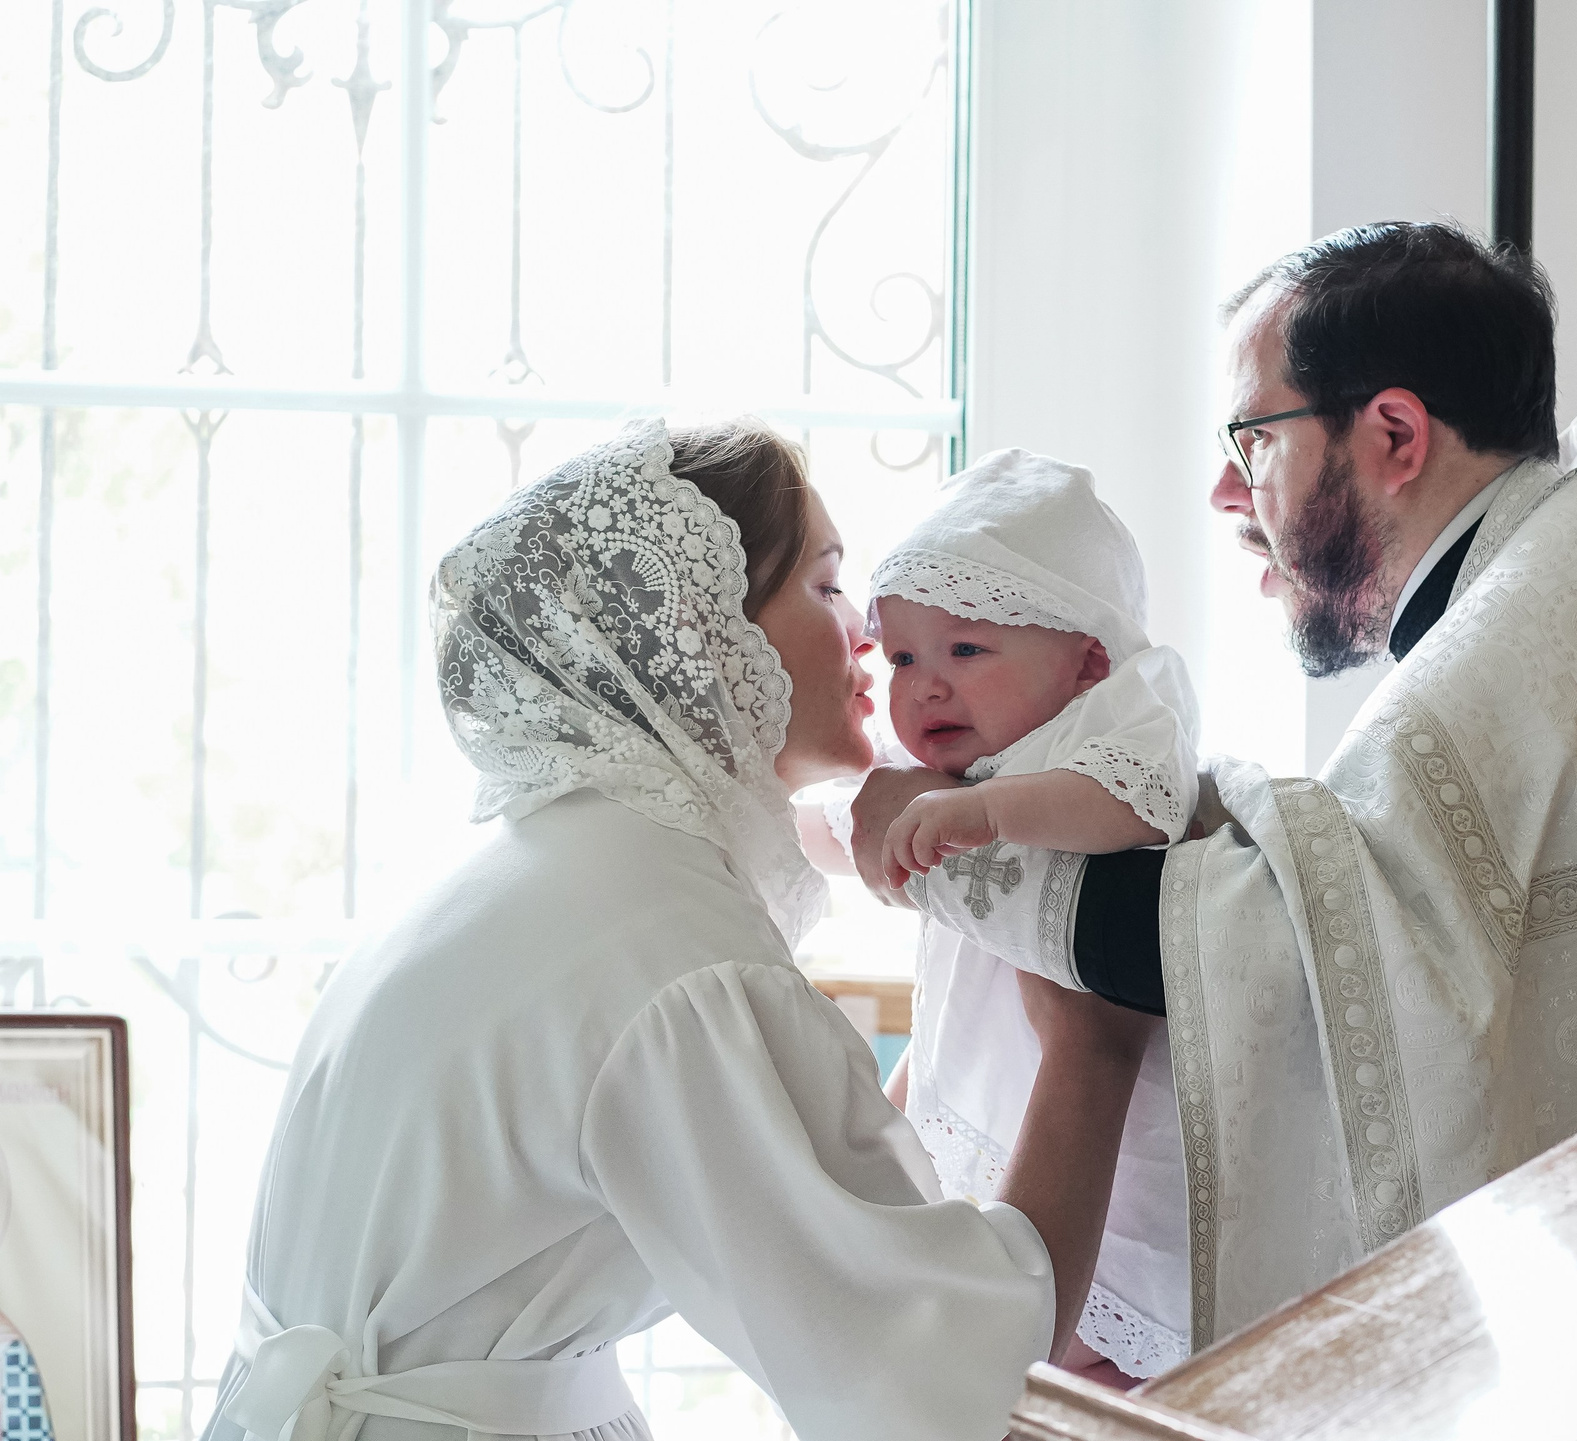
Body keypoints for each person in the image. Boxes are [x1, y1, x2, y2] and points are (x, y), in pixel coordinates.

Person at [845, 222, 1577, 1346]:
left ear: (1394, 434)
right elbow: (1357, 906)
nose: (1225, 489)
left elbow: (1283, 958)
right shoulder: (1543, 593)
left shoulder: (1521, 639)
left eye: (1253, 438)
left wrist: (926, 845)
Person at [210, 419, 1151, 1441]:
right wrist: (1089, 1049)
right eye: (828, 586)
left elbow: (810, 1195)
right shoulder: (674, 946)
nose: (868, 634)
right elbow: (939, 1375)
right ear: (703, 628)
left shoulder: (550, 865)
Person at [847, 449, 1198, 1381]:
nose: (925, 684)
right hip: (995, 1054)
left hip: (1103, 1087)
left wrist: (990, 811)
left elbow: (1137, 803)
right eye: (903, 657)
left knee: (1090, 1317)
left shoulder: (1117, 716)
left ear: (1087, 659)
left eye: (965, 650)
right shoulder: (954, 766)